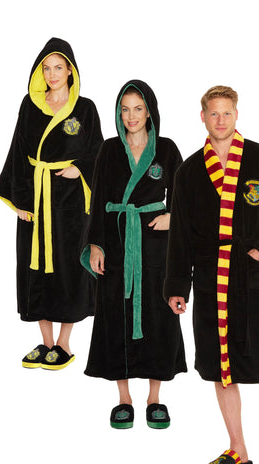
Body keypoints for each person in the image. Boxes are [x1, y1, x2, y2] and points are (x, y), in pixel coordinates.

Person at [165, 85, 259, 464]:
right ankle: (237, 447)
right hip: (210, 278)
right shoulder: (189, 171)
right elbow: (180, 235)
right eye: (214, 113)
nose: (220, 120)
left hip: (252, 277)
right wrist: (177, 285)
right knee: (219, 366)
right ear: (203, 117)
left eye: (227, 113)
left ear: (237, 115)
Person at [81, 80, 186, 429]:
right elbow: (98, 199)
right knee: (115, 313)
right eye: (125, 109)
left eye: (138, 109)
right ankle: (124, 398)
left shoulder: (166, 149)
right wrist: (95, 244)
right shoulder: (109, 149)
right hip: (116, 242)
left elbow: (185, 195)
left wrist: (173, 216)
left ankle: (154, 398)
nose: (131, 116)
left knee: (158, 313)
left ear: (150, 112)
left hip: (156, 246)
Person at [0, 37, 103, 370]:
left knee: (70, 266)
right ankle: (45, 342)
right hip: (36, 198)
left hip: (71, 202)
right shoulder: (30, 105)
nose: (52, 74)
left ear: (70, 71)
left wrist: (79, 169)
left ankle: (64, 343)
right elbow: (18, 151)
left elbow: (98, 151)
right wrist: (20, 200)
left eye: (58, 67)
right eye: (47, 68)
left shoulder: (85, 108)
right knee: (35, 266)